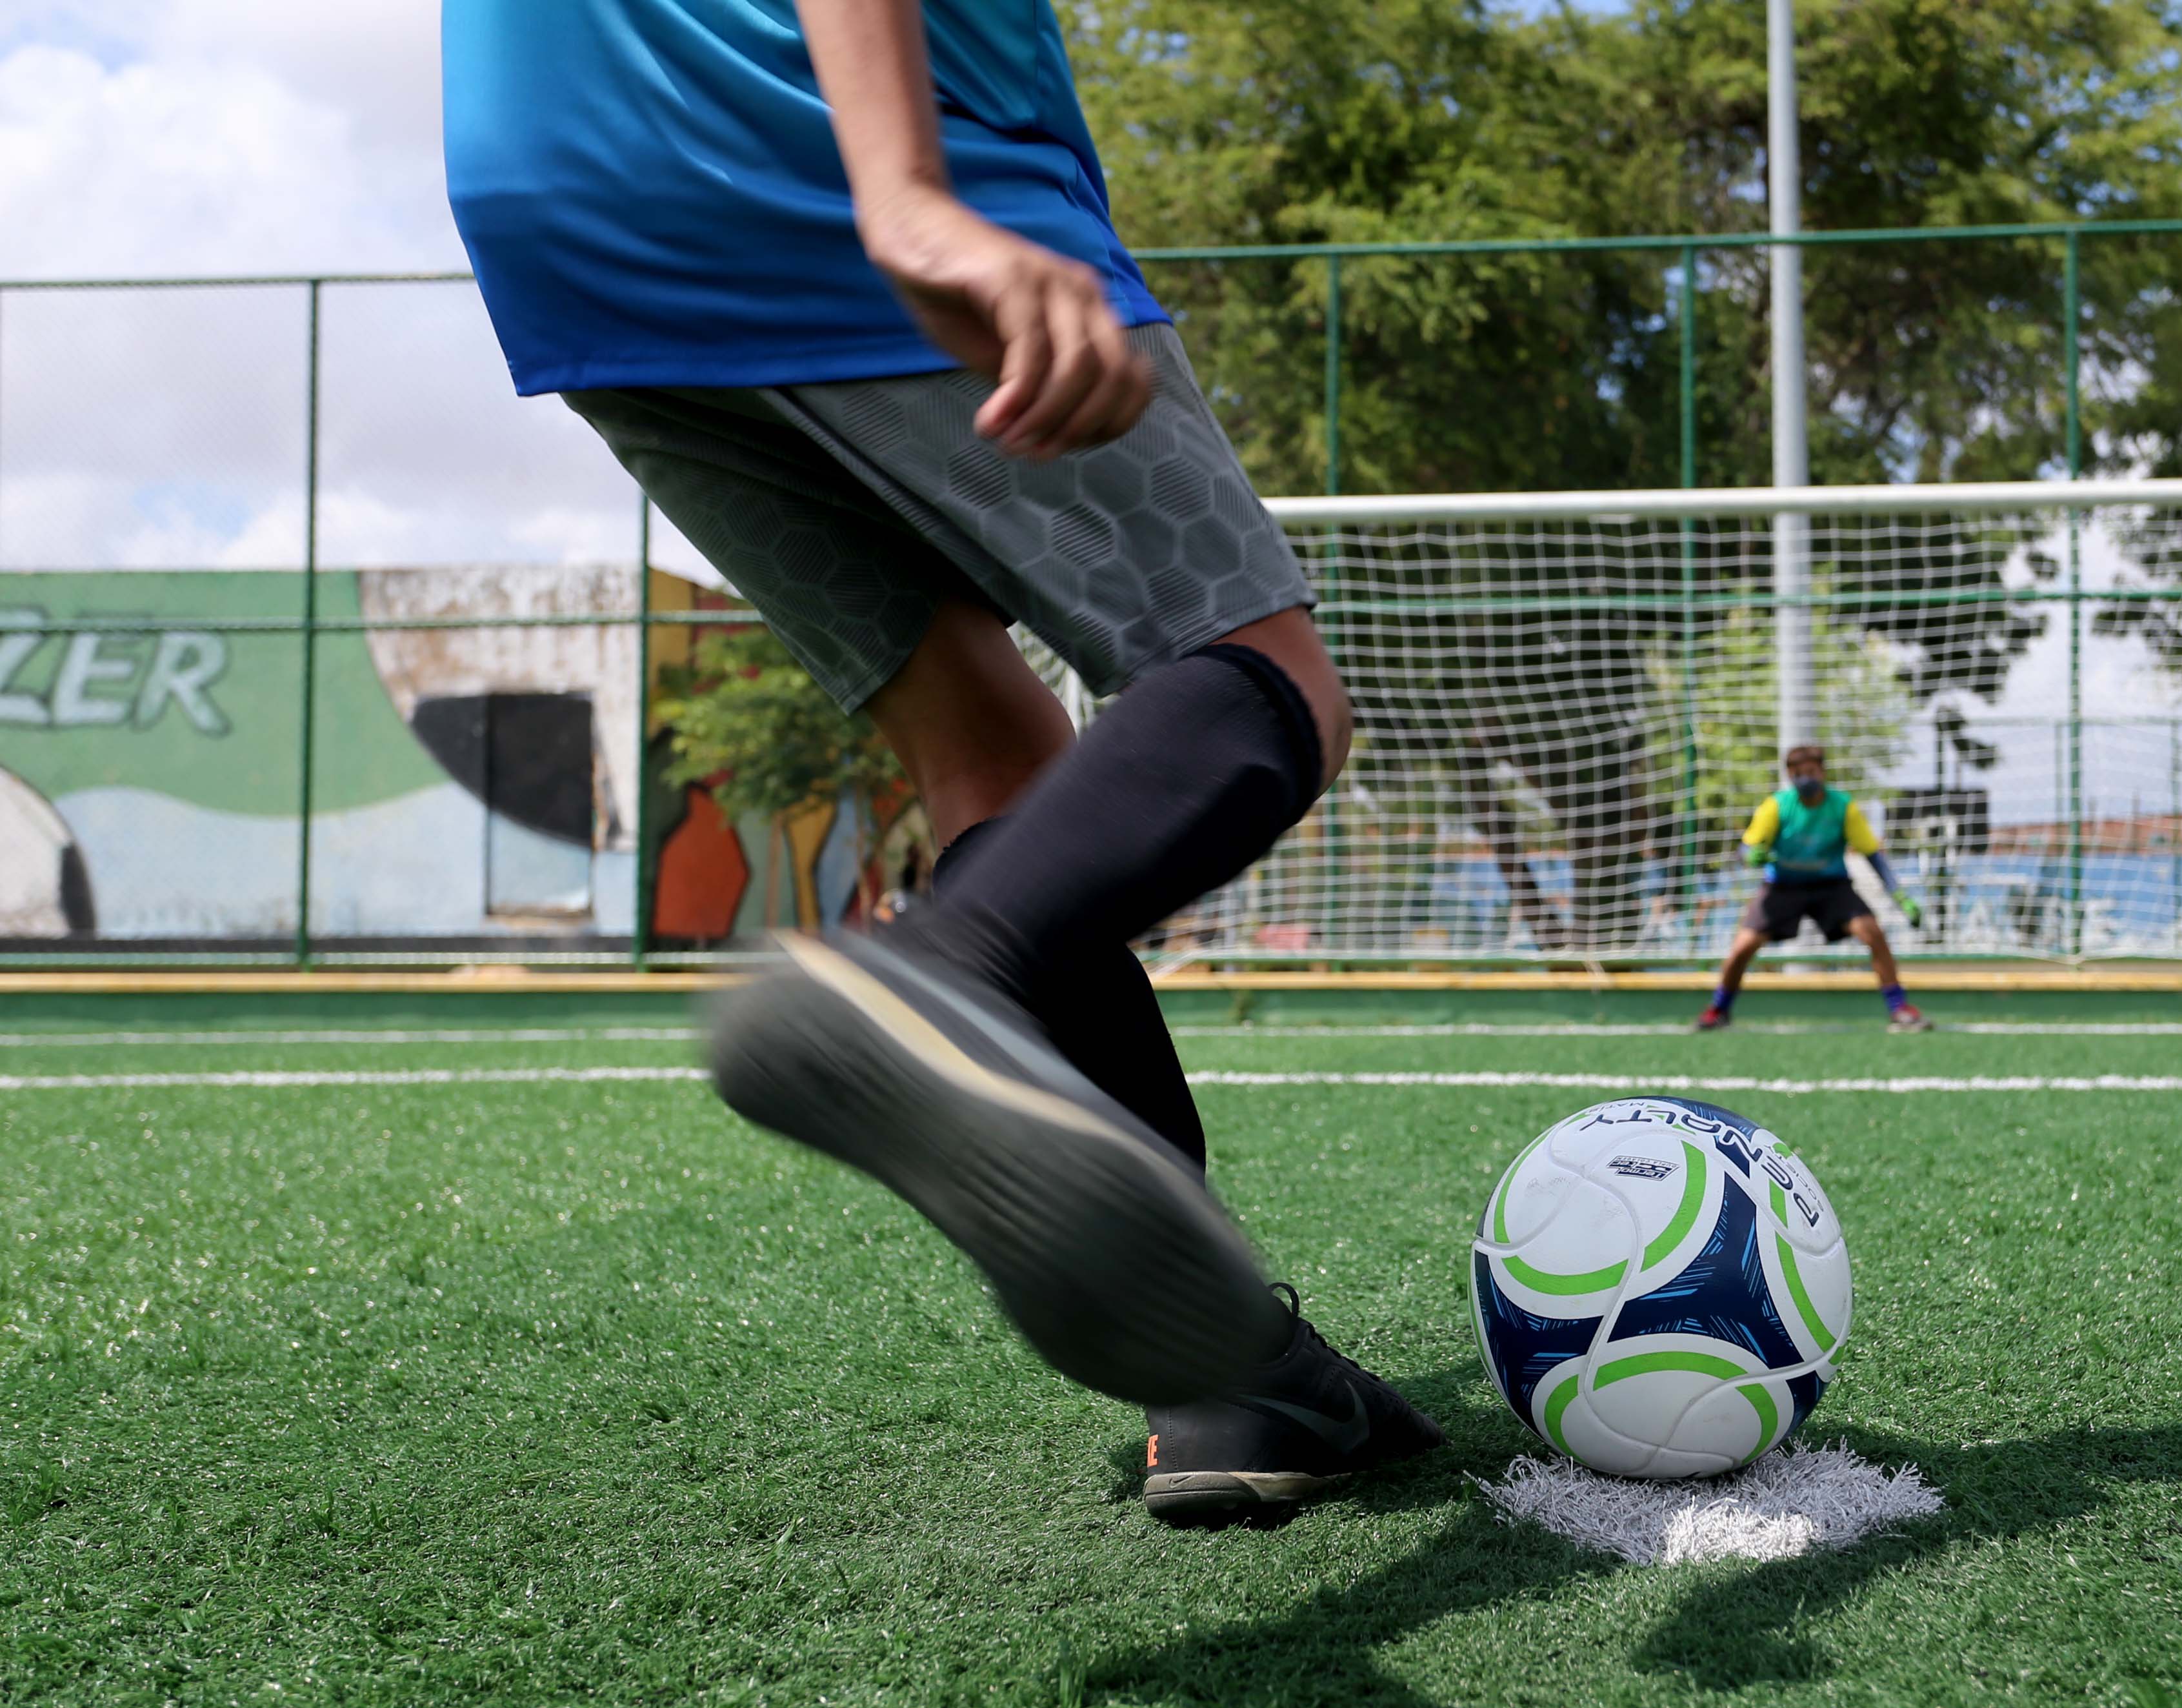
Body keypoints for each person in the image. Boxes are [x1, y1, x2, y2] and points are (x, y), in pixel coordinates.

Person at [443, 0, 1438, 1521]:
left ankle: (1233, 1368)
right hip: (801, 125)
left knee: (990, 757)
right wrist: (904, 187)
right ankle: (941, 973)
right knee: (1263, 677)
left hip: (567, 196)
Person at [1695, 745, 1932, 1033]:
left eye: (1811, 772)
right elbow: (1746, 849)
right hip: (1782, 887)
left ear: (1822, 772)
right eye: (1798, 774)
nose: (1805, 779)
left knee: (1872, 932)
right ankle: (1719, 1010)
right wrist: (1750, 856)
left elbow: (1872, 855)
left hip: (1831, 887)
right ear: (1789, 776)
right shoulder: (1777, 806)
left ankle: (1899, 1008)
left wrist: (1900, 897)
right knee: (1743, 947)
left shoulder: (1843, 806)